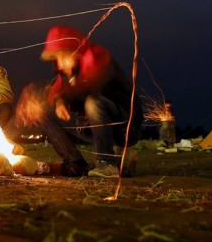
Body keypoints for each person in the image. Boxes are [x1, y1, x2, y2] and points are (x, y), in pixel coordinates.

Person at [16, 25, 142, 177]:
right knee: (43, 111)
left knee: (93, 102)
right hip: (90, 126)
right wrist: (57, 102)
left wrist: (59, 96)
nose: (61, 63)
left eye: (64, 56)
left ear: (76, 52)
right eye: (57, 58)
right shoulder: (66, 73)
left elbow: (90, 82)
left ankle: (107, 163)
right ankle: (75, 163)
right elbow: (56, 92)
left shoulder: (99, 57)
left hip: (125, 127)